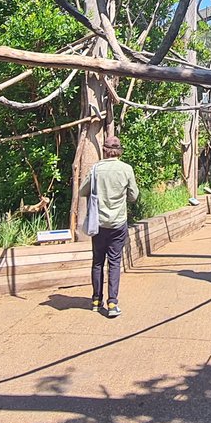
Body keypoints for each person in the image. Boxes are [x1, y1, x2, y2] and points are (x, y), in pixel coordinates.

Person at [80, 135, 140, 318]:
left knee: (97, 261)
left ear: (104, 150)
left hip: (98, 224)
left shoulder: (96, 169)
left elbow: (83, 190)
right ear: (119, 151)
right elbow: (133, 196)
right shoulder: (126, 169)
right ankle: (112, 303)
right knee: (114, 262)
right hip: (118, 223)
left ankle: (96, 300)